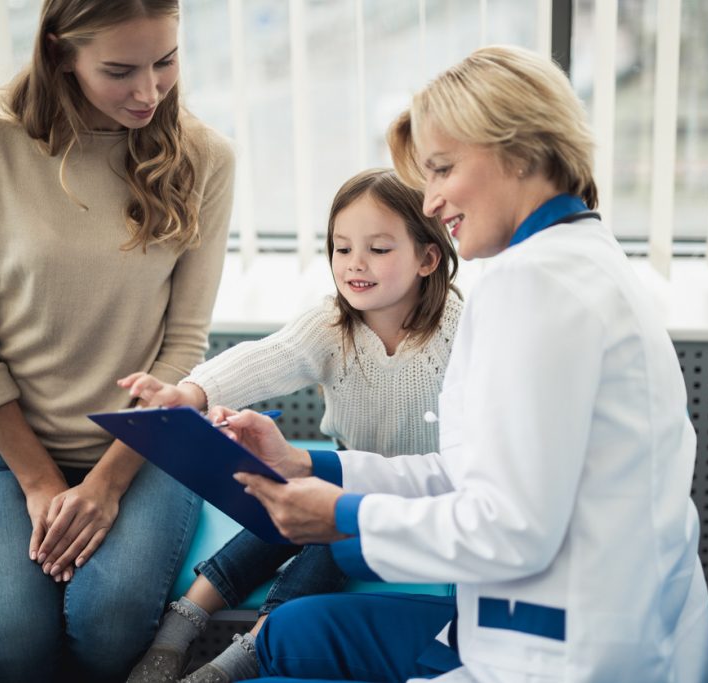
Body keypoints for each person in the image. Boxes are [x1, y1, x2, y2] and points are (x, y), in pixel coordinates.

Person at [209, 45, 708, 683]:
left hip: (566, 655)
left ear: (523, 152)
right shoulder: (578, 259)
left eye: (444, 169)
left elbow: (511, 527)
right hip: (595, 623)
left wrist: (343, 515)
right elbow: (478, 475)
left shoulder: (534, 288)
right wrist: (310, 464)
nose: (430, 201)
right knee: (289, 632)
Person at [0, 1, 235, 681]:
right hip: (6, 453)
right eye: (120, 70)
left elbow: (184, 342)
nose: (149, 91)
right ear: (59, 50)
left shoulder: (207, 157)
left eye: (166, 61)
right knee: (13, 646)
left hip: (146, 449)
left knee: (108, 626)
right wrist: (40, 482)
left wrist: (105, 483)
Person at [119, 168, 462, 683]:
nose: (355, 264)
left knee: (330, 532)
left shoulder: (462, 332)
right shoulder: (331, 322)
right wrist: (187, 395)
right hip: (342, 467)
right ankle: (179, 629)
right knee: (279, 493)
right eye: (342, 249)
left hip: (427, 498)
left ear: (428, 258)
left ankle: (237, 659)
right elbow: (266, 357)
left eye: (379, 249)